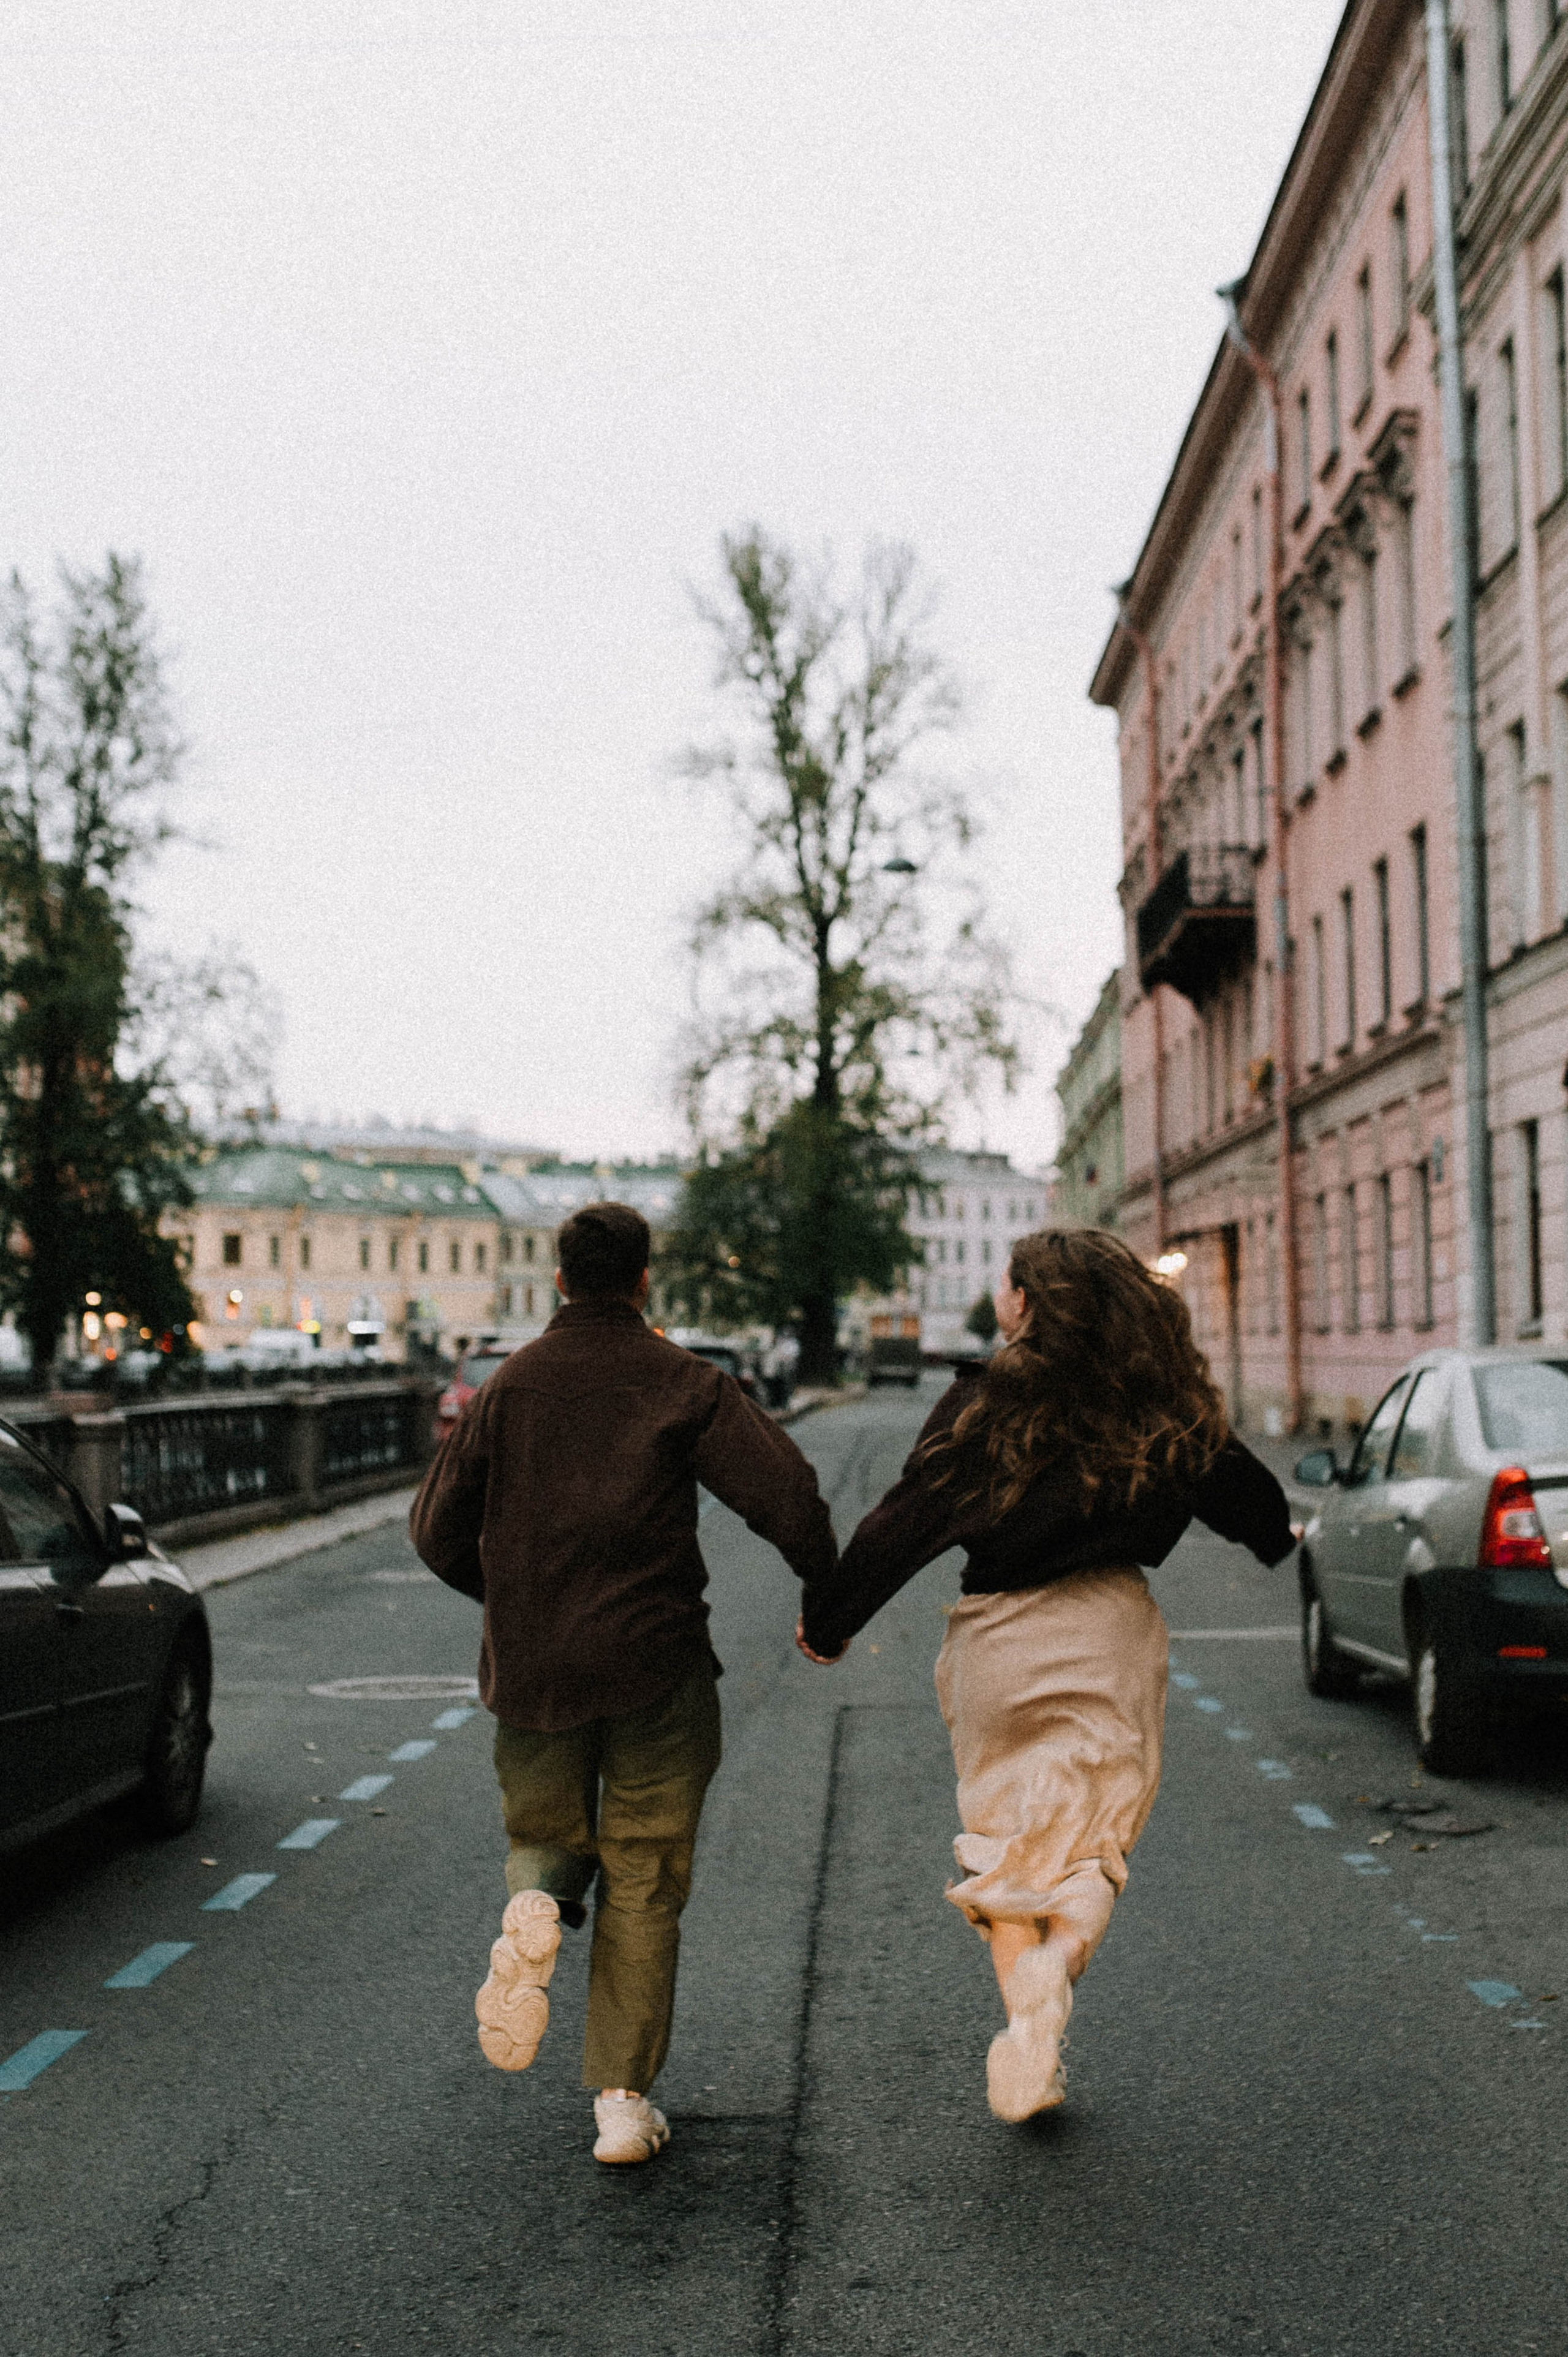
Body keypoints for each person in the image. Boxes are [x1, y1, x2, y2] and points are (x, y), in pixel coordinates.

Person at [796, 1226, 1293, 2124]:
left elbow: (904, 1520)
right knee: (1092, 1840)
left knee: (1006, 1843)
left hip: (996, 1643)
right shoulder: (1154, 1404)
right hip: (1108, 1633)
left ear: (1027, 1303)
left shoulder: (980, 1405)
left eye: (1008, 1284)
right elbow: (1248, 1496)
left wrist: (830, 1624)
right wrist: (1274, 1537)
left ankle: (1036, 2044)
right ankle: (1052, 1972)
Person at [411, 1201, 836, 2165]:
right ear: (645, 1280)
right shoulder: (682, 1382)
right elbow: (787, 1498)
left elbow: (435, 1531)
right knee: (643, 1874)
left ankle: (537, 1903)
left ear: (560, 1279)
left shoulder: (509, 1387)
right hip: (656, 1662)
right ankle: (620, 2103)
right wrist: (829, 1594)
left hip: (533, 1671)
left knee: (546, 1836)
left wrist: (511, 1599)